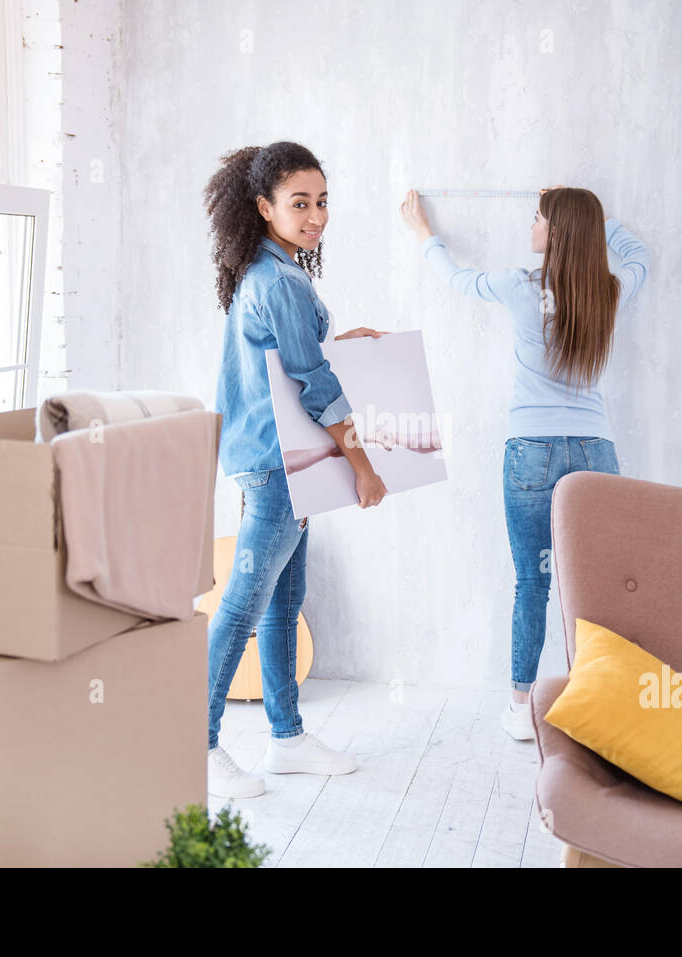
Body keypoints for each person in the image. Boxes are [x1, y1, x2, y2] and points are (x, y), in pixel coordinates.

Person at [400, 185, 650, 741]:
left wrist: (423, 233)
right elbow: (641, 258)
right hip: (594, 452)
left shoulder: (520, 286)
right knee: (597, 585)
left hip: (531, 452)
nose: (530, 225)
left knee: (532, 582)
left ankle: (520, 707)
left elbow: (457, 279)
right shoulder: (607, 291)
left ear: (555, 232)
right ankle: (599, 701)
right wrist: (597, 220)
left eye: (538, 218)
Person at [204, 141, 389, 798]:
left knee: (284, 602)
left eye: (322, 201)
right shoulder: (280, 280)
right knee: (244, 606)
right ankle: (194, 745)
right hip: (277, 466)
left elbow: (286, 362)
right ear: (265, 207)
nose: (316, 215)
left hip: (276, 460)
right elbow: (310, 382)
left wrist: (341, 341)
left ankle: (286, 739)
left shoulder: (268, 271)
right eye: (299, 203)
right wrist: (362, 464)